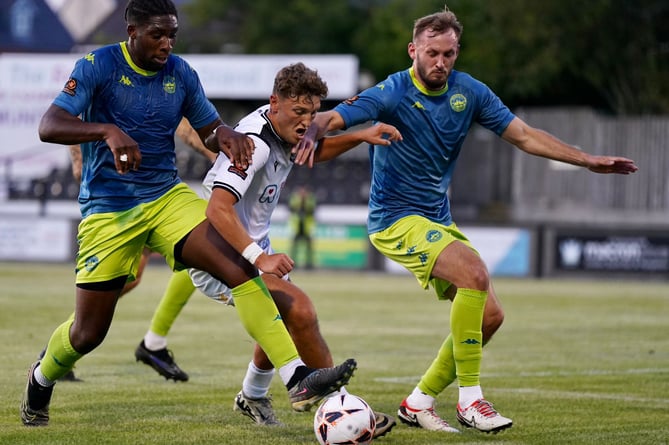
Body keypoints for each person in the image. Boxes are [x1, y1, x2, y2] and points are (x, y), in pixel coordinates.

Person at [294, 5, 638, 434]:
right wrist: (313, 129)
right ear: (413, 50)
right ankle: (470, 400)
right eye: (433, 53)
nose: (441, 62)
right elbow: (333, 117)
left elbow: (525, 135)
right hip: (395, 219)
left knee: (489, 316)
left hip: (437, 219)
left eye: (449, 54)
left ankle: (417, 402)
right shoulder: (393, 91)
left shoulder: (469, 92)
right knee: (475, 273)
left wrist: (587, 160)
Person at [20, 0, 356, 427]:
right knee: (88, 333)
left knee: (241, 267)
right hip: (110, 210)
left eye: (172, 34)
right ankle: (42, 376)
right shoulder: (96, 65)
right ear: (132, 30)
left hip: (166, 197)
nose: (167, 43)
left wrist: (228, 136)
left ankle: (296, 377)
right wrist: (106, 130)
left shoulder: (180, 73)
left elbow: (209, 129)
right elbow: (49, 125)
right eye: (158, 34)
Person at [177, 62, 399, 436]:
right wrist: (258, 257)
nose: (306, 122)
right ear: (273, 103)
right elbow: (217, 208)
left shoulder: (283, 131)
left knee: (280, 316)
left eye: (312, 113)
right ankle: (342, 409)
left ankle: (252, 395)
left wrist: (361, 136)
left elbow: (312, 151)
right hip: (221, 252)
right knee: (300, 310)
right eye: (299, 112)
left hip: (249, 246)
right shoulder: (256, 144)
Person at [288, 185, 317, 269]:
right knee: (294, 246)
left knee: (309, 246)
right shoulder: (295, 198)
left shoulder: (310, 198)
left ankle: (309, 264)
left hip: (306, 227)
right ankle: (293, 263)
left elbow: (312, 209)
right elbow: (291, 208)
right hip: (297, 226)